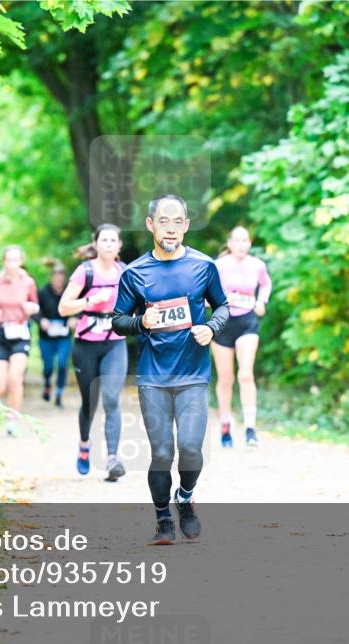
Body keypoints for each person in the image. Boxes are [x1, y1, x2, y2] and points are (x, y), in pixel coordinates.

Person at [112, 195, 229, 545]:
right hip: (154, 376)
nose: (171, 229)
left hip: (193, 373)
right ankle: (163, 519)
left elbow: (223, 306)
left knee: (191, 448)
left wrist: (211, 327)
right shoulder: (134, 273)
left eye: (178, 222)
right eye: (164, 221)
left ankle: (185, 497)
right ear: (151, 224)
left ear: (187, 226)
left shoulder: (204, 266)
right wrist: (141, 322)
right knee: (162, 453)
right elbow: (117, 320)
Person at [58, 224, 128, 481]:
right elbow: (63, 308)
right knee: (90, 402)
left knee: (111, 398)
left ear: (119, 245)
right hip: (86, 345)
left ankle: (112, 458)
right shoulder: (85, 271)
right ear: (96, 244)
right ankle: (85, 444)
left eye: (113, 240)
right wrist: (90, 301)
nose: (108, 244)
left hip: (115, 343)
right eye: (104, 240)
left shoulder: (125, 272)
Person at [213, 226, 272, 447]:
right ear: (229, 243)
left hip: (247, 322)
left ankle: (250, 428)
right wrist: (221, 300)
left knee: (246, 375)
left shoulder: (257, 265)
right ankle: (225, 425)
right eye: (236, 241)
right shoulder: (218, 265)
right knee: (226, 378)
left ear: (249, 243)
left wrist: (261, 301)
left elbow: (266, 284)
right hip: (222, 323)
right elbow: (205, 293)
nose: (241, 245)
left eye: (245, 240)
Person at [0, 246, 39, 435]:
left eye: (15, 260)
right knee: (0, 386)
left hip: (20, 333)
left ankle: (13, 421)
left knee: (15, 378)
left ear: (21, 262)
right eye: (8, 260)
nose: (12, 264)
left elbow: (35, 305)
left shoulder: (28, 282)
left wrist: (32, 308)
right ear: (3, 262)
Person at [37, 264, 74, 408]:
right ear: (51, 277)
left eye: (61, 276)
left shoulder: (70, 292)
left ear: (64, 278)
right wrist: (41, 320)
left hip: (64, 336)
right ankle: (47, 383)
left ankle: (58, 394)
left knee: (62, 364)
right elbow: (35, 311)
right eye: (56, 276)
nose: (58, 279)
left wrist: (74, 318)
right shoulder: (42, 292)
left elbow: (78, 308)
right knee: (48, 366)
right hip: (46, 337)